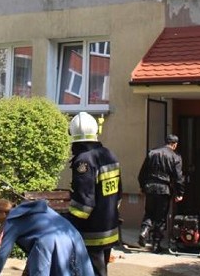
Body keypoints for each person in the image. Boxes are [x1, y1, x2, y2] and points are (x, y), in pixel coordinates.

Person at [66, 112, 121, 276]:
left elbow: (84, 204)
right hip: (109, 227)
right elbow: (118, 193)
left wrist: (67, 221)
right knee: (102, 270)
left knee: (92, 272)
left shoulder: (83, 161)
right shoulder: (109, 155)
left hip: (91, 232)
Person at [0, 198, 95, 276]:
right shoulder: (31, 209)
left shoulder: (12, 220)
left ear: (1, 214)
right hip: (73, 235)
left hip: (49, 242)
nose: (2, 226)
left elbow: (1, 257)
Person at [137, 134, 185, 253]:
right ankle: (156, 244)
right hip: (164, 189)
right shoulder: (175, 156)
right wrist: (180, 193)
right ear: (175, 144)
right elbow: (179, 177)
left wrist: (143, 187)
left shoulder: (152, 153)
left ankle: (144, 231)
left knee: (149, 213)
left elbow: (142, 173)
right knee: (160, 217)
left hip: (150, 187)